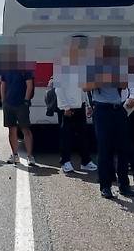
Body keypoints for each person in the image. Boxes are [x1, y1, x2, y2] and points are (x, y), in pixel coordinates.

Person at [83, 36, 134, 200]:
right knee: (104, 149)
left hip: (118, 109)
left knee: (122, 149)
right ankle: (105, 186)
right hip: (102, 110)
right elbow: (86, 86)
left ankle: (124, 186)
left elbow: (123, 84)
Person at [52, 36, 97, 174]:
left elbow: (82, 89)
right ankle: (65, 161)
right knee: (66, 136)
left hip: (80, 105)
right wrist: (65, 107)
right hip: (67, 107)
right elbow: (58, 88)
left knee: (83, 135)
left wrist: (88, 104)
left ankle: (85, 161)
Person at [0, 55, 36, 166]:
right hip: (9, 104)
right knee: (12, 130)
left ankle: (30, 156)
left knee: (26, 130)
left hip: (21, 104)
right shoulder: (5, 69)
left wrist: (26, 100)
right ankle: (15, 155)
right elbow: (3, 85)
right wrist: (3, 101)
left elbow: (29, 85)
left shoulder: (25, 69)